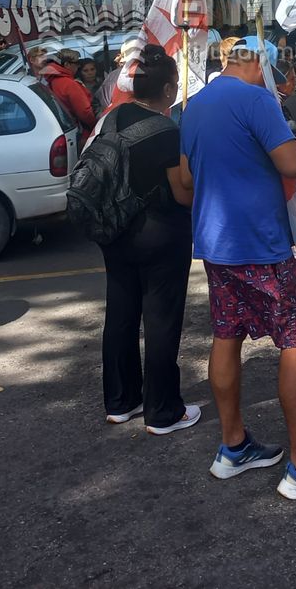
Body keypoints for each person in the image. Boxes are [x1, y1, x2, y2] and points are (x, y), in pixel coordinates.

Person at [178, 38, 296, 499]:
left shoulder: (195, 103)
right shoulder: (257, 99)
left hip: (216, 241)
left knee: (227, 333)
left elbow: (185, 181)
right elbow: (293, 162)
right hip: (262, 240)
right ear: (261, 65)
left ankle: (233, 444)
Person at [95, 45, 200, 434]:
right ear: (170, 89)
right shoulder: (167, 131)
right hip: (160, 236)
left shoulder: (112, 118)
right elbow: (182, 193)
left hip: (113, 230)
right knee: (160, 321)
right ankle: (163, 410)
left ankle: (120, 402)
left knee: (120, 316)